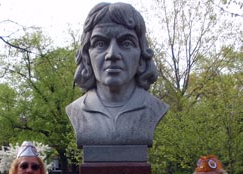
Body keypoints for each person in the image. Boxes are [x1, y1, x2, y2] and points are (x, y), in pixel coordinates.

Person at [65, 2, 168, 147]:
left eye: (126, 43)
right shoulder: (76, 110)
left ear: (141, 53)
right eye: (100, 43)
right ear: (87, 54)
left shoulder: (154, 108)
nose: (112, 54)